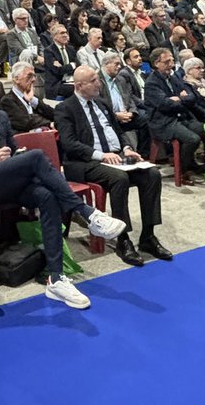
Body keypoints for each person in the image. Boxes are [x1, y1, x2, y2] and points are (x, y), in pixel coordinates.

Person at [0, 78, 126, 310]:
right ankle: (87, 213)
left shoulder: (1, 116)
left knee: (47, 196)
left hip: (7, 178)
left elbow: (12, 148)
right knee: (38, 157)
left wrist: (15, 155)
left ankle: (56, 278)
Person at [55, 67, 170, 266]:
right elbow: (69, 143)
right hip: (85, 162)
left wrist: (126, 148)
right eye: (93, 80)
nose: (99, 83)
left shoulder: (102, 103)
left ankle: (148, 236)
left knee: (152, 174)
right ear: (79, 85)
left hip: (116, 156)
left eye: (98, 79)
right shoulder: (65, 108)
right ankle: (122, 239)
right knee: (119, 178)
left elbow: (118, 131)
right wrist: (101, 155)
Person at [143, 47, 205, 181]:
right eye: (167, 62)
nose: (171, 64)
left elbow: (192, 97)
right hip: (163, 122)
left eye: (172, 61)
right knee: (193, 139)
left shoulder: (173, 78)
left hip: (181, 117)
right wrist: (182, 99)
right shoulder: (152, 83)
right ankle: (182, 170)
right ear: (157, 63)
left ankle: (201, 165)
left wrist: (179, 99)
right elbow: (165, 105)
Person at [0, 61, 54, 132]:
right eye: (29, 76)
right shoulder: (7, 101)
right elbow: (26, 122)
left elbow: (53, 114)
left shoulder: (34, 98)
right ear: (17, 79)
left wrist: (33, 100)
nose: (33, 79)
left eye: (34, 76)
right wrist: (49, 124)